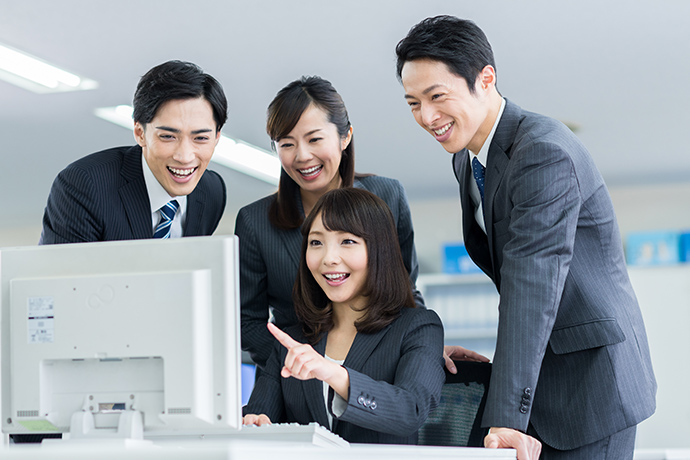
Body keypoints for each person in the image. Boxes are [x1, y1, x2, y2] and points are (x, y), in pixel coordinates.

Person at [396, 15, 656, 460]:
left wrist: (507, 416)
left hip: (591, 385)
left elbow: (532, 281)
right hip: (543, 378)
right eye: (413, 103)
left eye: (437, 96)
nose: (427, 116)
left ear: (485, 79)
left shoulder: (541, 151)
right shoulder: (467, 160)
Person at [236, 76, 444, 370]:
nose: (302, 156)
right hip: (293, 378)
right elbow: (248, 322)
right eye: (287, 144)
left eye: (314, 139)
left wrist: (425, 349)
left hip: (381, 371)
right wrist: (303, 365)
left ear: (345, 137)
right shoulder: (255, 222)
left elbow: (405, 292)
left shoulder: (387, 196)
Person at [242, 187, 445, 444]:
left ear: (379, 250)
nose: (329, 258)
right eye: (316, 243)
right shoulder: (293, 340)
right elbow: (260, 415)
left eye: (347, 241)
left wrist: (333, 373)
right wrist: (254, 423)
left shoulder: (418, 327)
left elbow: (410, 410)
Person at [40, 60, 227, 244]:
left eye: (201, 138)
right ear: (140, 133)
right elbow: (64, 265)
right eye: (168, 137)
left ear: (217, 137)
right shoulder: (85, 186)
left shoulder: (211, 192)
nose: (184, 157)